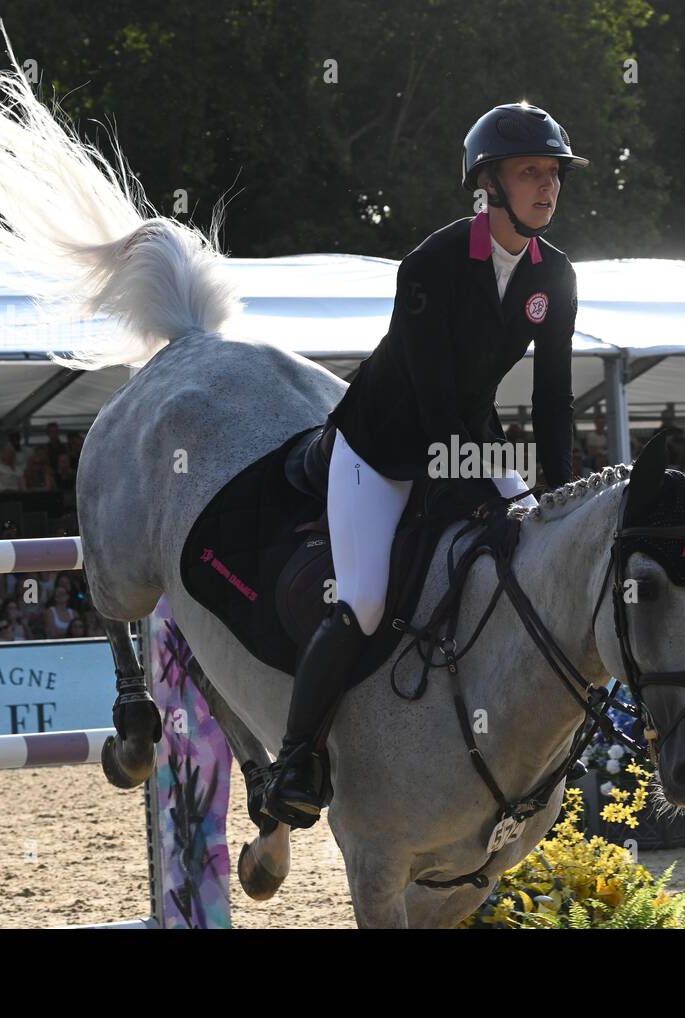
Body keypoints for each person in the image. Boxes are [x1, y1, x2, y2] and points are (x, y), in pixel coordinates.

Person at [261, 101, 587, 828]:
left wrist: (558, 498)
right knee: (366, 602)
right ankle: (295, 759)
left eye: (553, 172)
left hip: (468, 436)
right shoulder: (432, 264)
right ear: (490, 185)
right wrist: (481, 488)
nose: (548, 186)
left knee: (538, 548)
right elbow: (435, 403)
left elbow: (554, 399)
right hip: (380, 450)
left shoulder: (555, 276)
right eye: (530, 172)